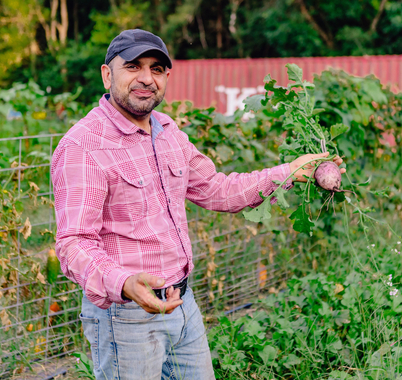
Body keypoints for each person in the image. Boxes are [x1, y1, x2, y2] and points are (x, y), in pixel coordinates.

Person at [51, 29, 345, 380]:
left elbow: (218, 190)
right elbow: (74, 244)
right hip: (124, 316)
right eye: (133, 66)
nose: (146, 78)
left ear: (166, 77)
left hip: (183, 303)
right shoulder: (84, 146)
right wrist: (125, 282)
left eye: (157, 69)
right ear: (107, 73)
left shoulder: (168, 132)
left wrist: (289, 172)